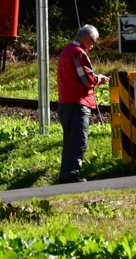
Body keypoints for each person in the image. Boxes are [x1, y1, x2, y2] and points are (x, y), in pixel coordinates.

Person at [55, 24, 108, 183]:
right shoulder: (78, 53)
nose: (92, 46)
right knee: (79, 140)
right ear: (86, 38)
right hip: (77, 103)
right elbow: (86, 79)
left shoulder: (67, 50)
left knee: (70, 140)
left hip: (65, 103)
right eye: (93, 42)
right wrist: (99, 79)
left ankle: (66, 172)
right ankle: (70, 175)